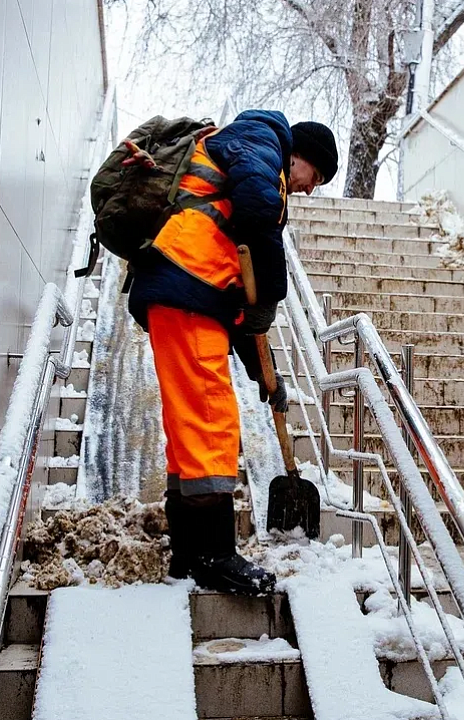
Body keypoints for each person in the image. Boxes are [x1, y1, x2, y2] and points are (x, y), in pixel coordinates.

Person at [127, 110, 338, 594]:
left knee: (188, 428)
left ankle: (187, 552)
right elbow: (260, 208)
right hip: (187, 285)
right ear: (299, 156)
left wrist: (268, 377)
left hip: (186, 292)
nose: (308, 190)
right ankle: (215, 554)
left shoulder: (245, 163)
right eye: (315, 177)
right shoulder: (262, 139)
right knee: (211, 419)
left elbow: (244, 308)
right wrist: (272, 290)